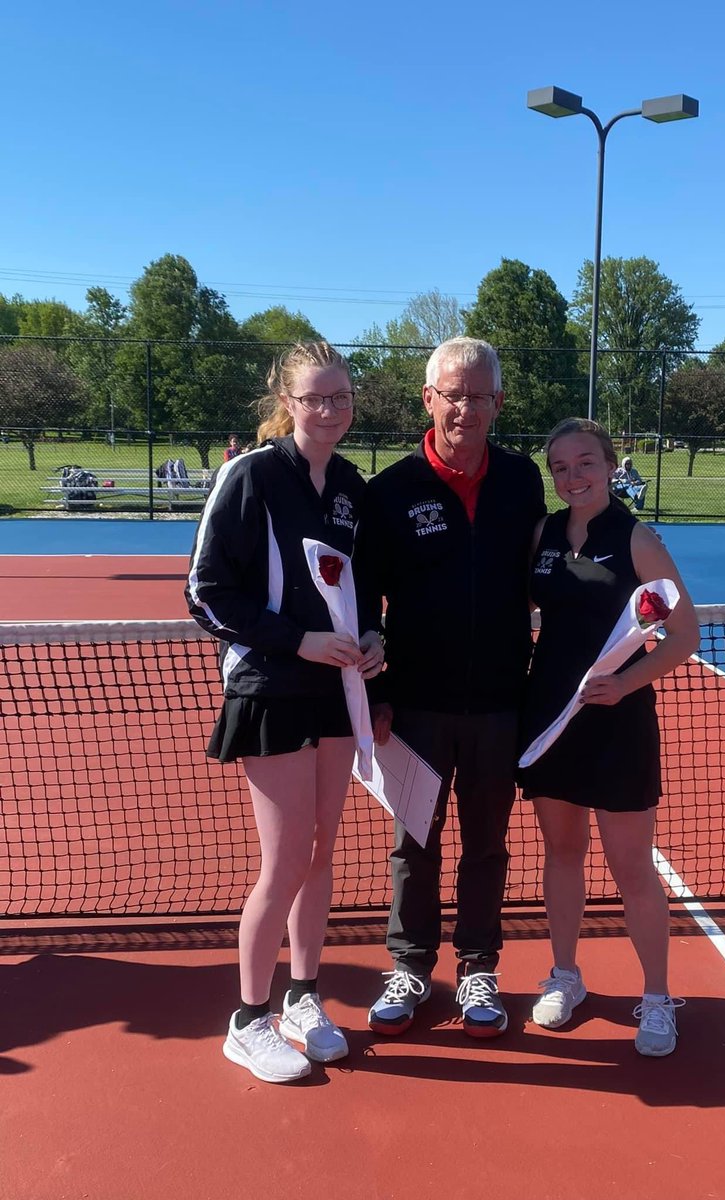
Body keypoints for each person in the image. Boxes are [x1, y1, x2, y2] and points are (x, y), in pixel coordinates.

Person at [185, 342, 384, 1083]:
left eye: (340, 397)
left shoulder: (353, 490)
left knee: (323, 853)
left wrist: (371, 637)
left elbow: (361, 591)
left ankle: (304, 996)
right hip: (269, 690)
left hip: (337, 693)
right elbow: (206, 593)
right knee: (284, 862)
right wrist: (298, 640)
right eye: (315, 398)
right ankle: (249, 1018)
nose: (329, 409)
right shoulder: (251, 476)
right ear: (288, 402)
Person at [354, 337, 545, 1038]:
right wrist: (373, 694)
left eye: (480, 395)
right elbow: (363, 601)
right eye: (453, 394)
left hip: (500, 700)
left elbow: (543, 572)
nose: (466, 407)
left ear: (498, 402)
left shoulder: (523, 481)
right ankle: (409, 965)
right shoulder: (390, 492)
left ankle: (478, 967)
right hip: (414, 705)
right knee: (414, 843)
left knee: (488, 842)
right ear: (428, 399)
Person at [518, 418, 699, 1056]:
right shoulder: (541, 534)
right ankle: (565, 975)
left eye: (585, 463)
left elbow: (684, 636)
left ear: (611, 464)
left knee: (631, 869)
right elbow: (522, 614)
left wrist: (624, 684)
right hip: (551, 719)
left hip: (619, 722)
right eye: (560, 467)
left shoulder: (637, 538)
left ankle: (656, 998)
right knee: (562, 853)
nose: (573, 477)